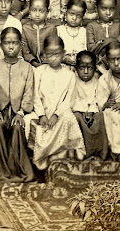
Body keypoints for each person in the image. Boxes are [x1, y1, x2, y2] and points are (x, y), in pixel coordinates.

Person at [26, 35, 85, 170]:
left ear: (63, 54)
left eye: (57, 54)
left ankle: (58, 154)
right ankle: (41, 158)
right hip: (41, 112)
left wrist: (56, 115)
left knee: (69, 118)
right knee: (28, 121)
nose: (53, 58)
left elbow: (69, 99)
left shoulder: (69, 74)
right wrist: (41, 115)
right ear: (44, 55)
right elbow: (35, 95)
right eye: (49, 54)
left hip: (59, 115)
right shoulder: (39, 71)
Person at [0, 28, 35, 181]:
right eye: (7, 43)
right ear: (1, 45)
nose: (11, 47)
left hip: (19, 111)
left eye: (14, 43)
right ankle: (1, 171)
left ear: (20, 45)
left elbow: (28, 93)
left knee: (17, 127)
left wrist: (21, 113)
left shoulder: (27, 67)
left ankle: (17, 170)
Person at [71, 50, 110, 160]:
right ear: (76, 68)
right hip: (78, 112)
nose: (86, 72)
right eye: (82, 68)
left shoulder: (98, 81)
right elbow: (73, 99)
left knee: (100, 117)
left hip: (93, 112)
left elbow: (99, 99)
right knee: (75, 118)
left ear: (95, 68)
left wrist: (92, 111)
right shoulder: (73, 80)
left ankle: (99, 152)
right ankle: (80, 152)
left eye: (90, 68)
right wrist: (82, 111)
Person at [86, 0, 120, 65]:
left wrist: (108, 41)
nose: (108, 13)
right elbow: (91, 48)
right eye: (104, 9)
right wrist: (109, 42)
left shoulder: (119, 26)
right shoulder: (91, 26)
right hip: (98, 65)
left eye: (112, 9)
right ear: (97, 8)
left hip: (116, 64)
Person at [21, 0, 58, 67]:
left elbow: (53, 48)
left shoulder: (51, 28)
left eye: (41, 11)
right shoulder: (25, 29)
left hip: (48, 64)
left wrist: (45, 61)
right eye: (34, 10)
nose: (37, 14)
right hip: (29, 64)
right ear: (29, 11)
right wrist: (33, 61)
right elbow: (25, 50)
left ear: (47, 13)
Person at [57, 0, 88, 71]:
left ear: (82, 17)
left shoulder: (84, 31)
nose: (74, 18)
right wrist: (63, 58)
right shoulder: (59, 30)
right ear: (66, 13)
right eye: (72, 14)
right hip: (62, 65)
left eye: (78, 16)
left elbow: (86, 49)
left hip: (80, 66)